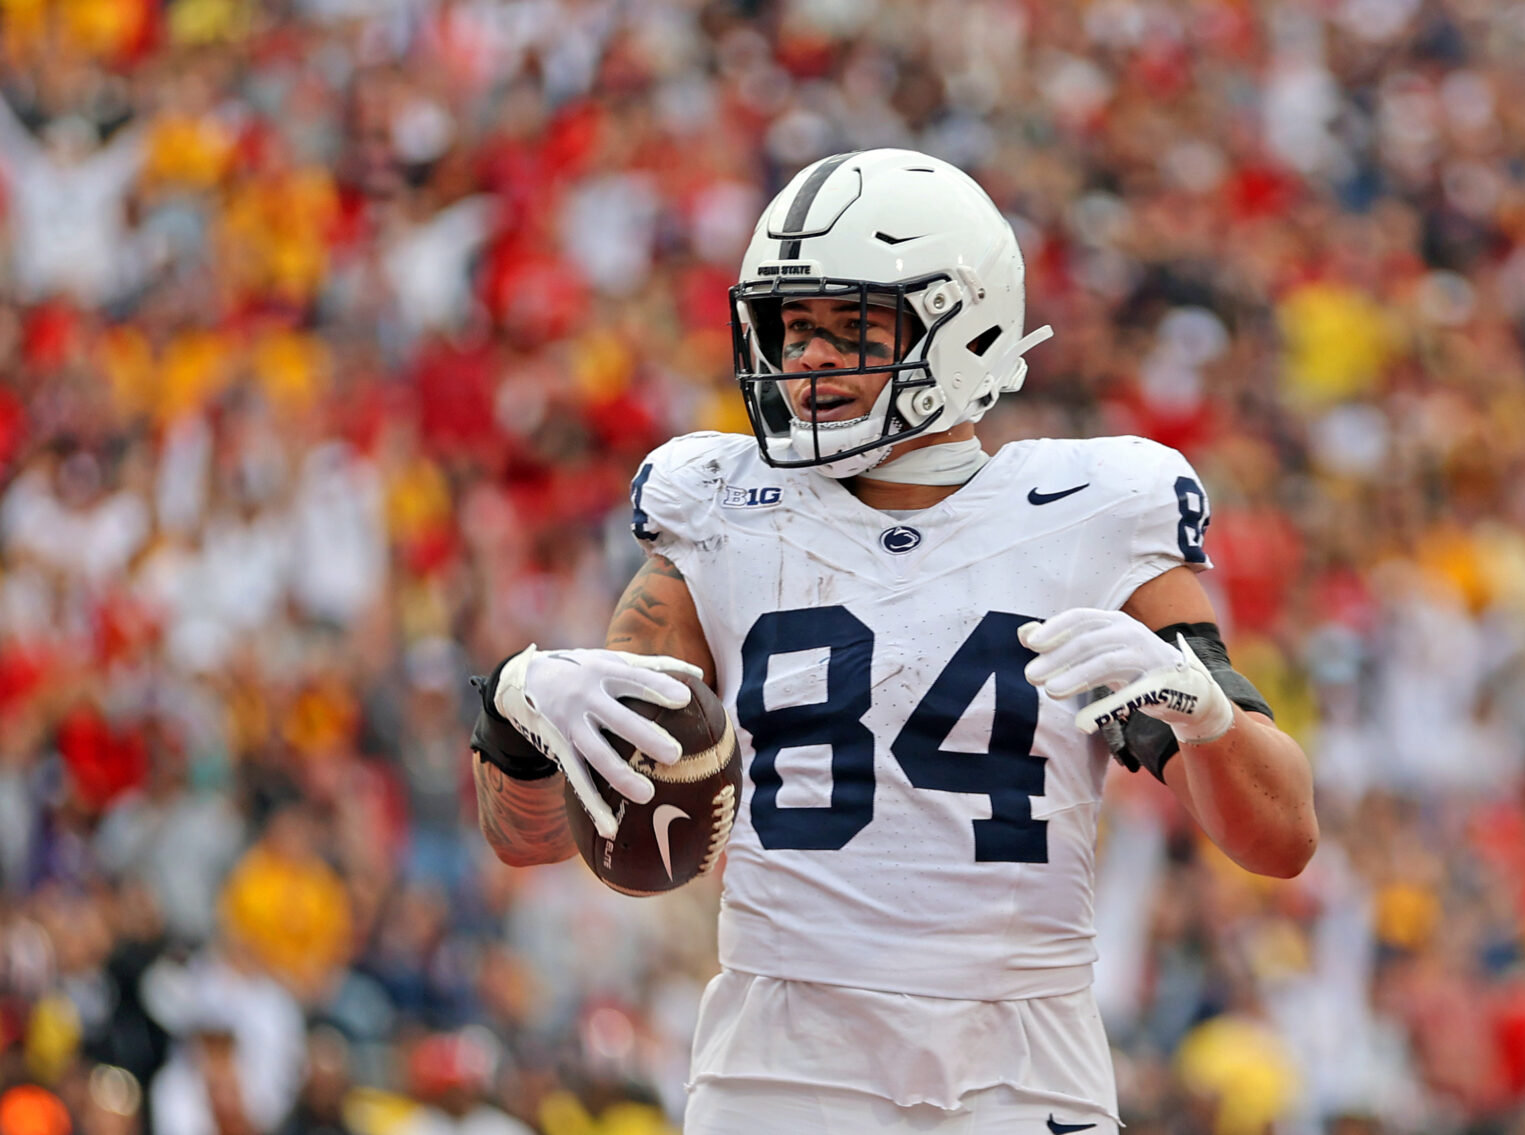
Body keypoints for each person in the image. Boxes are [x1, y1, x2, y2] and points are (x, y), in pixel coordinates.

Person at [468, 148, 1318, 1134]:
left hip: (1021, 1068)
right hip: (783, 1065)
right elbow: (532, 838)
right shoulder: (722, 511)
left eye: (852, 326)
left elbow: (1281, 838)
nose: (810, 358)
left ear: (966, 327)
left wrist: (1207, 717)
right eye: (795, 326)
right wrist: (519, 718)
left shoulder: (1092, 513)